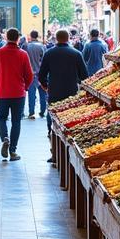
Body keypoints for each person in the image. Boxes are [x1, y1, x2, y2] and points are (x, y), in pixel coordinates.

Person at [39, 29, 89, 161]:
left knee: (53, 123)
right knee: (70, 123)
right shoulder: (76, 54)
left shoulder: (49, 54)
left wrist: (46, 87)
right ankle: (69, 155)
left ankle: (54, 153)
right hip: (71, 94)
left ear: (56, 38)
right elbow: (84, 76)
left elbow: (41, 75)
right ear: (68, 38)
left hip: (54, 93)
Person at [0, 27, 33, 162]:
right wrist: (25, 87)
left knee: (1, 118)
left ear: (5, 37)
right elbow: (29, 75)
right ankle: (13, 150)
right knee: (16, 121)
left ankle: (5, 138)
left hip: (1, 92)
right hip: (18, 93)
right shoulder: (23, 54)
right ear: (18, 39)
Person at [23, 29, 47, 119]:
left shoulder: (26, 46)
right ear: (37, 36)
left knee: (31, 94)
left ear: (31, 36)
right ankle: (42, 111)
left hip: (30, 73)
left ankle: (31, 112)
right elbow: (44, 60)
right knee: (42, 93)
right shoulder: (42, 46)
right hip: (40, 73)